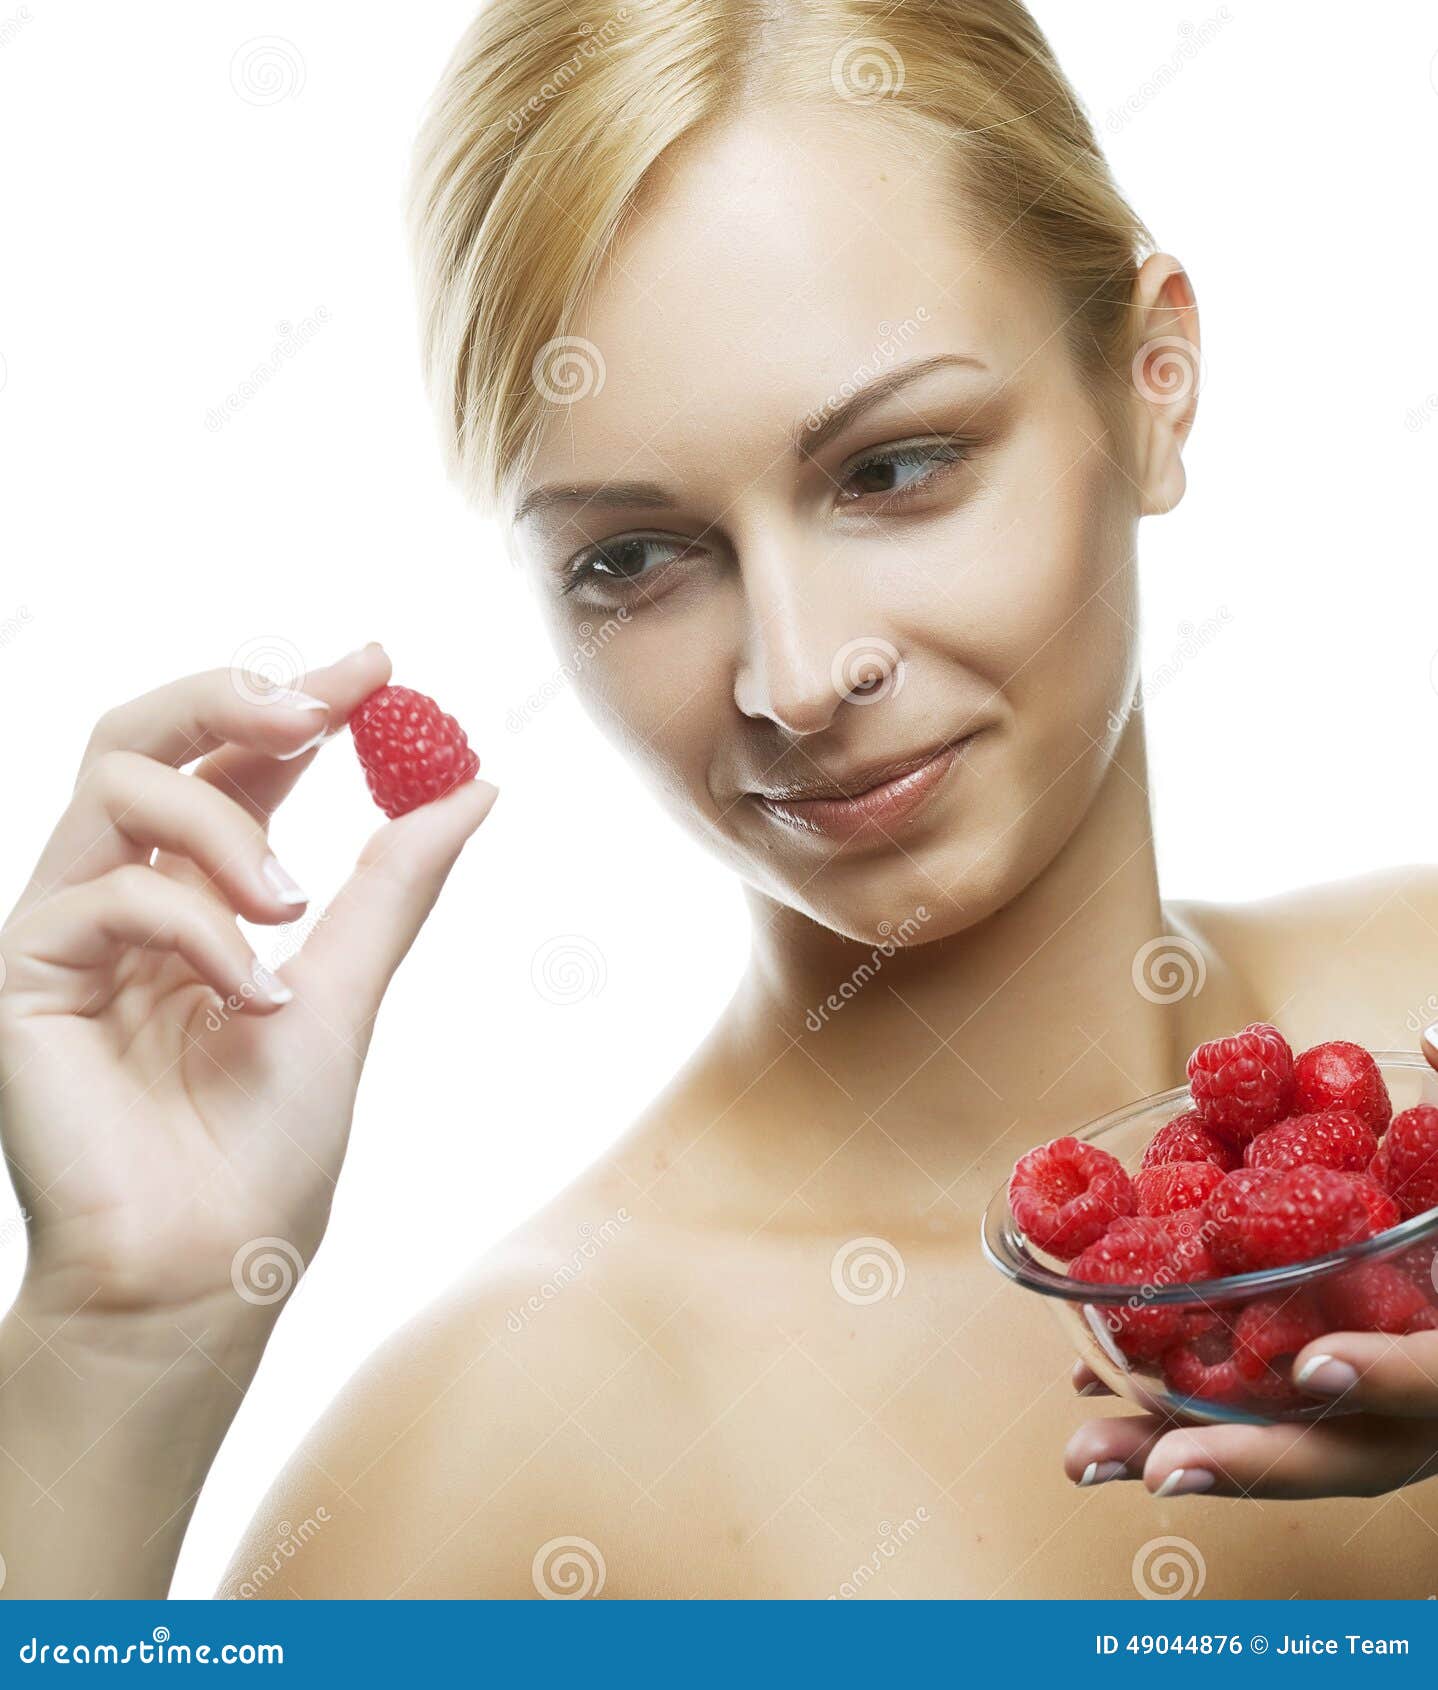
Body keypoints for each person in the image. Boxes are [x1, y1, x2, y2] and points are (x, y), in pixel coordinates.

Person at [3, 0, 1437, 1601]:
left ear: (1152, 382)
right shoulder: (504, 1452)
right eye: (632, 556)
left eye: (891, 468)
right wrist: (122, 1339)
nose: (797, 673)